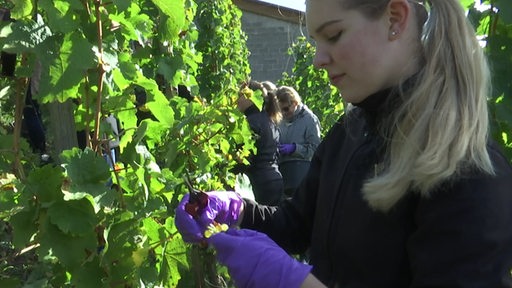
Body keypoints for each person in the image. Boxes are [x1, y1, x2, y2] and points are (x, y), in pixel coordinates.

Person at [175, 0, 512, 287]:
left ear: (395, 19)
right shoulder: (350, 132)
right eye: (315, 41)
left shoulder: (466, 169)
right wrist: (239, 210)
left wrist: (294, 282)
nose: (318, 59)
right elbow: (294, 223)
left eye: (333, 36)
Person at [232, 80, 284, 205]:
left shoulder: (250, 123)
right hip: (275, 179)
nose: (236, 100)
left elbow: (245, 158)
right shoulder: (270, 120)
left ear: (250, 97)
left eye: (240, 95)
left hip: (258, 184)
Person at [275, 85, 321, 196]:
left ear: (295, 103)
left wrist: (295, 148)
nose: (284, 113)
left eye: (286, 109)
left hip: (302, 172)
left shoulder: (309, 120)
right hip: (283, 172)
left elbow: (316, 149)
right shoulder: (280, 119)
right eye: (280, 110)